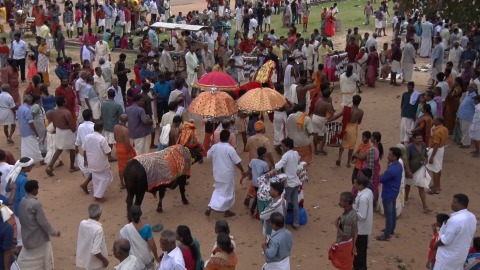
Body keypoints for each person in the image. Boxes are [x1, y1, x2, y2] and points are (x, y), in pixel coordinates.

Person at [17, 180, 61, 269]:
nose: (38, 190)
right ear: (34, 190)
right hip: (38, 238)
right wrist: (54, 232)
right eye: (37, 188)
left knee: (27, 260)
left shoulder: (23, 201)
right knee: (44, 261)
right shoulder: (35, 204)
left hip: (26, 236)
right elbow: (43, 222)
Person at [205, 130, 245, 218]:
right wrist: (242, 170)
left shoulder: (215, 147)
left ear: (220, 138)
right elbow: (237, 162)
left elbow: (208, 156)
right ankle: (226, 211)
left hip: (217, 173)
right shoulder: (230, 149)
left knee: (218, 190)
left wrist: (211, 145)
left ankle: (210, 206)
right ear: (228, 138)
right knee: (228, 193)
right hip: (227, 174)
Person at [433, 194, 477, 270]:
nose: (451, 204)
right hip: (460, 256)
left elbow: (445, 240)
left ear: (460, 204)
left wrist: (436, 244)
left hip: (447, 258)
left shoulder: (455, 220)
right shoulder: (472, 217)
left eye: (454, 202)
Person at [271, 137, 301, 230]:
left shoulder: (286, 155)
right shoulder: (295, 153)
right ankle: (296, 223)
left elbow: (278, 166)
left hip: (289, 183)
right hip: (296, 182)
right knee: (295, 204)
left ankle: (281, 225)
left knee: (285, 205)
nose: (282, 147)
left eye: (283, 146)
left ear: (287, 146)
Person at [45, 97, 78, 177]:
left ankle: (50, 166)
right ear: (64, 102)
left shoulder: (54, 112)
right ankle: (71, 167)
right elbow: (72, 125)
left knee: (59, 149)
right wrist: (74, 130)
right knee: (72, 149)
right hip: (67, 132)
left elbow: (53, 123)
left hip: (59, 131)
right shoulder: (67, 112)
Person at [376, 147, 403, 241]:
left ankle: (387, 233)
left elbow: (381, 179)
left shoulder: (392, 169)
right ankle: (391, 229)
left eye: (390, 155)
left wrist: (381, 175)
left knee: (388, 214)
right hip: (394, 191)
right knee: (392, 212)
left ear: (395, 157)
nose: (388, 156)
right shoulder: (398, 166)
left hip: (388, 192)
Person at [329, 95, 364, 168]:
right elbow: (359, 122)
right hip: (353, 128)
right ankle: (348, 162)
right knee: (351, 146)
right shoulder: (361, 112)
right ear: (359, 102)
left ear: (352, 101)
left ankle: (339, 158)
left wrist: (329, 120)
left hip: (345, 127)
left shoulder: (346, 109)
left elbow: (336, 116)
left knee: (343, 143)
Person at [84, 122, 113, 202]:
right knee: (107, 177)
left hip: (91, 161)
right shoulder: (101, 139)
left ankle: (97, 193)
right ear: (101, 129)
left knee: (96, 178)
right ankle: (98, 195)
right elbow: (108, 152)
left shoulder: (87, 137)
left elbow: (84, 149)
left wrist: (85, 160)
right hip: (101, 162)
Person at [404, 131, 432, 213]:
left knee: (421, 187)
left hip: (420, 170)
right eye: (418, 138)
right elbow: (406, 160)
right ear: (413, 139)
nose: (420, 140)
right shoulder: (409, 148)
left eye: (421, 138)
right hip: (411, 170)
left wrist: (425, 160)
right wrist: (408, 170)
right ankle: (406, 198)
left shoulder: (423, 145)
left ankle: (425, 206)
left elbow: (425, 155)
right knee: (408, 185)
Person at [328, 192, 358, 269]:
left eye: (341, 200)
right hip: (350, 244)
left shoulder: (347, 218)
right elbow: (355, 230)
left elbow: (346, 237)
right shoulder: (354, 213)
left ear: (347, 203)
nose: (340, 202)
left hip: (344, 245)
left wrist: (337, 226)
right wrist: (354, 245)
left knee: (343, 266)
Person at [76, 204, 109, 269]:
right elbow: (95, 251)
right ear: (100, 214)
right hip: (96, 265)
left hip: (86, 259)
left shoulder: (82, 223)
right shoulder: (98, 229)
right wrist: (105, 260)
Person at [353, 173, 373, 270]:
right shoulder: (368, 192)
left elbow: (362, 216)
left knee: (359, 251)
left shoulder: (363, 198)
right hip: (364, 228)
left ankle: (359, 267)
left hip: (360, 229)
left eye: (355, 183)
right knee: (362, 250)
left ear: (361, 185)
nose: (354, 185)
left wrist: (352, 212)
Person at [241, 146, 270, 216]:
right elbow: (267, 174)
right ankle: (254, 210)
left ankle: (253, 209)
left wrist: (243, 177)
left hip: (254, 182)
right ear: (263, 154)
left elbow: (249, 170)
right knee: (258, 197)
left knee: (257, 195)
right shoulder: (265, 164)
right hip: (262, 183)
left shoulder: (253, 161)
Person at [16, 95, 44, 164]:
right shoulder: (27, 110)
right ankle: (41, 160)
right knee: (35, 146)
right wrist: (35, 131)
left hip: (23, 130)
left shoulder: (20, 108)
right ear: (30, 101)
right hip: (28, 131)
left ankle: (27, 160)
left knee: (26, 147)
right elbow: (31, 122)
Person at [426, 116, 448, 195]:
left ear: (438, 122)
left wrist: (432, 156)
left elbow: (436, 144)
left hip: (436, 150)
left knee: (435, 169)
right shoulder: (444, 129)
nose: (433, 121)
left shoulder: (437, 131)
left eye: (434, 120)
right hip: (441, 149)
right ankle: (438, 185)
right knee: (438, 168)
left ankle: (436, 188)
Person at [114, 114, 136, 189]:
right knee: (129, 166)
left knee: (120, 167)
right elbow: (127, 142)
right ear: (127, 121)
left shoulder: (115, 127)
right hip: (125, 148)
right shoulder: (125, 130)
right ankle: (130, 182)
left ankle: (122, 183)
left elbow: (115, 137)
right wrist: (129, 152)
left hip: (118, 147)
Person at [101, 89, 124, 154]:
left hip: (105, 126)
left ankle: (108, 154)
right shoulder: (117, 105)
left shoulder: (103, 104)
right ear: (114, 95)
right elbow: (122, 116)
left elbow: (101, 115)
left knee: (107, 140)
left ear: (108, 95)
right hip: (114, 126)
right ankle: (109, 155)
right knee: (112, 141)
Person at [312, 90, 334, 155]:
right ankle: (321, 148)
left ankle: (315, 149)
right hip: (322, 119)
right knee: (325, 134)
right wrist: (329, 120)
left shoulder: (318, 100)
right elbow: (332, 115)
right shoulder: (328, 105)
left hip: (314, 117)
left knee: (315, 134)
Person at [457, 84, 478, 148]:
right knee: (463, 130)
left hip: (468, 116)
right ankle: (463, 141)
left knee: (466, 130)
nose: (468, 88)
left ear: (474, 89)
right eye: (468, 86)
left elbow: (476, 107)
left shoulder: (474, 97)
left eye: (470, 87)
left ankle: (466, 144)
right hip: (462, 115)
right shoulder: (468, 95)